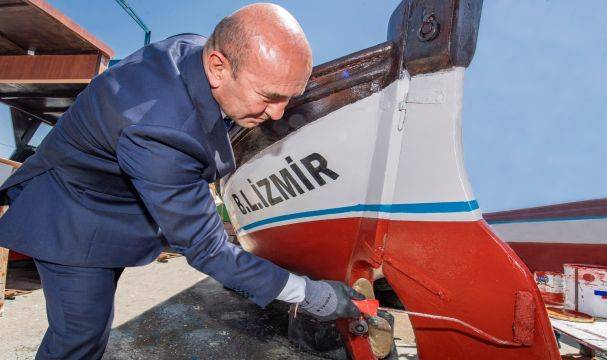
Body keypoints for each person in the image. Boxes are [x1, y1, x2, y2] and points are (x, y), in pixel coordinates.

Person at [0, 3, 363, 359]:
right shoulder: (162, 132)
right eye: (269, 97)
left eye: (288, 98)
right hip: (71, 218)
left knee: (92, 324)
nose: (278, 113)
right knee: (79, 335)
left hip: (110, 206)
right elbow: (209, 251)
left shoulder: (194, 49)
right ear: (218, 67)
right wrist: (312, 294)